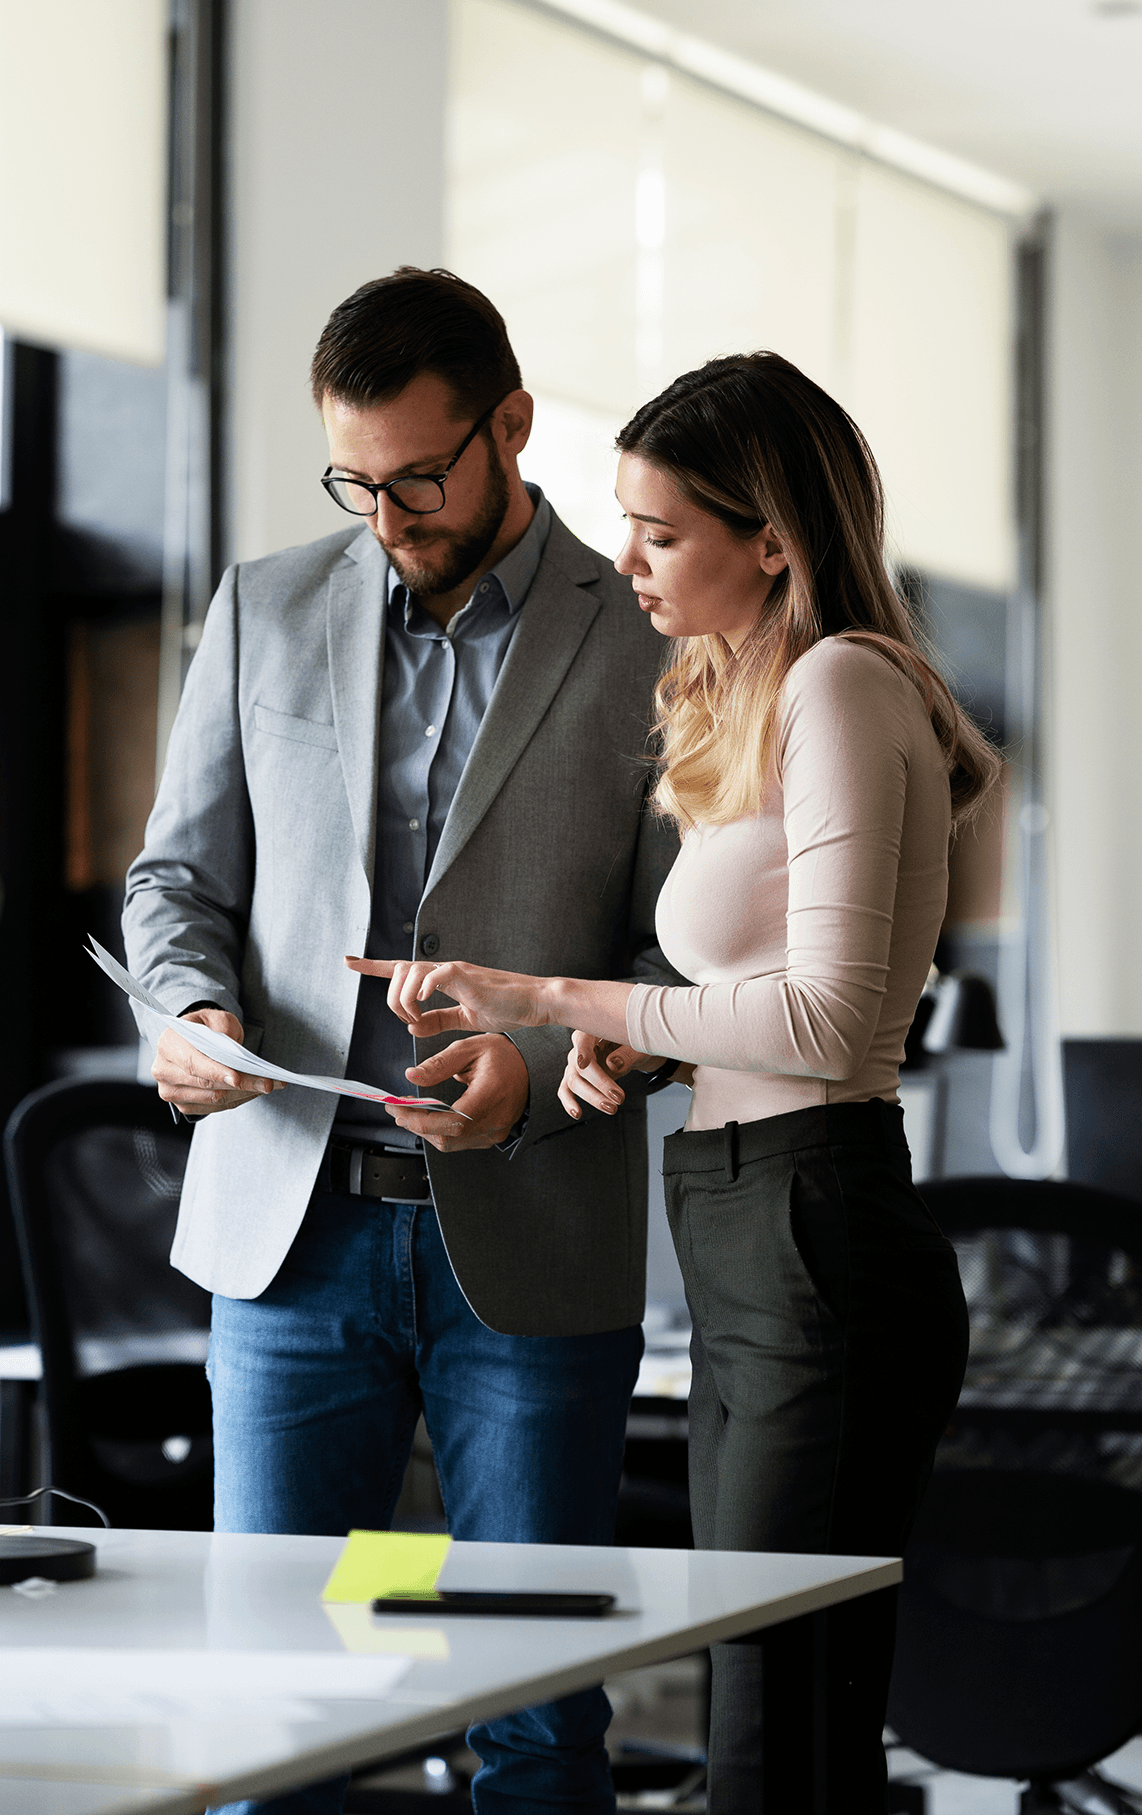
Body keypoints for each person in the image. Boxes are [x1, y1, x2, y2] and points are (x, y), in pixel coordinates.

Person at [355, 352, 998, 1815]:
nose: (627, 559)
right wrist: (653, 1037)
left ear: (770, 533)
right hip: (740, 1212)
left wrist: (554, 996)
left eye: (661, 532)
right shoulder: (756, 698)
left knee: (773, 1722)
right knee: (770, 1704)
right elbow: (765, 987)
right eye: (626, 524)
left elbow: (833, 1019)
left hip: (810, 1214)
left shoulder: (839, 680)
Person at [122, 267, 681, 1815]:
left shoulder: (644, 634)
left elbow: (678, 952)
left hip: (532, 1233)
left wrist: (549, 1076)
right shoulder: (267, 603)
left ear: (510, 424)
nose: (388, 513)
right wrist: (191, 1011)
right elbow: (176, 876)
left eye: (420, 476)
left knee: (532, 1712)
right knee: (275, 1701)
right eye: (354, 481)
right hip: (290, 1235)